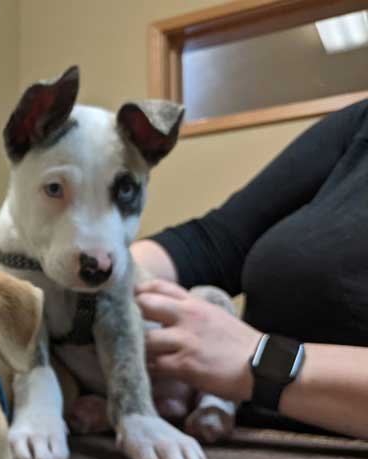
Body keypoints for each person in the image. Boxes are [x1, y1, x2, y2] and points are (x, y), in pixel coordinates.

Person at [131, 99, 368, 440]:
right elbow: (217, 242)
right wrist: (97, 281)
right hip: (242, 437)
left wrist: (260, 362)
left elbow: (248, 357)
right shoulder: (360, 124)